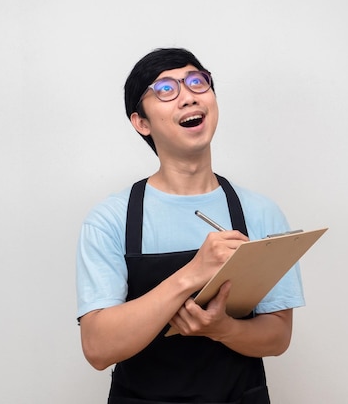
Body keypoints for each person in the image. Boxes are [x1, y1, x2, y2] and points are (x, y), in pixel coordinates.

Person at [76, 48, 304, 403]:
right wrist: (192, 274)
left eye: (198, 82)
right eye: (166, 89)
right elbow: (97, 348)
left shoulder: (260, 212)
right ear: (142, 123)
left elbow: (278, 337)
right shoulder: (111, 219)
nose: (188, 97)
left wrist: (222, 328)